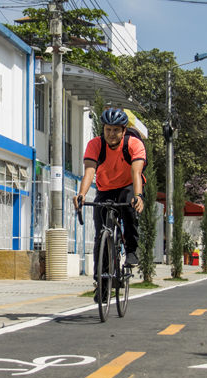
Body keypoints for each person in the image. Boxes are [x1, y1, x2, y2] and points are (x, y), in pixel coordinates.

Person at [73, 108, 146, 303]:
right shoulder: (95, 145)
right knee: (100, 235)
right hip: (105, 189)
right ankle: (102, 284)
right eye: (107, 130)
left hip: (128, 185)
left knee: (129, 205)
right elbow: (89, 171)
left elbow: (137, 173)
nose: (111, 134)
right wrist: (81, 194)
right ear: (102, 129)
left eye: (115, 130)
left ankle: (131, 249)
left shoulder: (133, 144)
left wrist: (138, 196)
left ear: (123, 131)